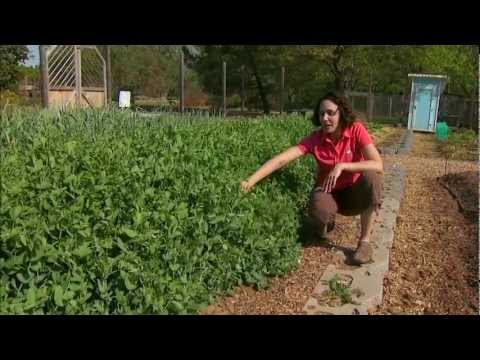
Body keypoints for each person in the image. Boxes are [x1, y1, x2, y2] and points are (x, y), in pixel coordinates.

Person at [240, 92, 383, 265]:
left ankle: (364, 242)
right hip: (329, 192)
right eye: (321, 113)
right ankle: (323, 224)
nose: (325, 118)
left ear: (341, 113)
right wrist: (250, 181)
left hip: (354, 194)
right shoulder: (316, 139)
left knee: (372, 178)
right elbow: (282, 159)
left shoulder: (356, 130)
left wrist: (343, 166)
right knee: (320, 214)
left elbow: (377, 164)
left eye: (330, 113)